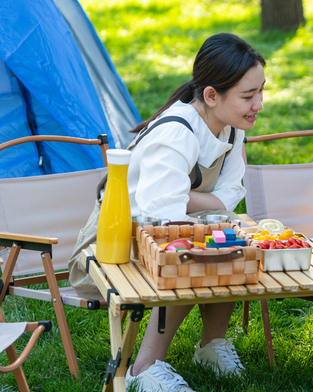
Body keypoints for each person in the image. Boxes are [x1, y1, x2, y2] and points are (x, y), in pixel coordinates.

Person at [69, 33, 266, 391]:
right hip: (109, 250)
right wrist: (208, 206)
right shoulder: (177, 133)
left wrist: (194, 199)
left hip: (156, 236)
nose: (260, 104)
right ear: (211, 95)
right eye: (249, 96)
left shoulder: (232, 130)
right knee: (195, 254)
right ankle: (143, 368)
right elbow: (166, 221)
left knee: (231, 241)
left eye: (261, 91)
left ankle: (211, 344)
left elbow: (230, 195)